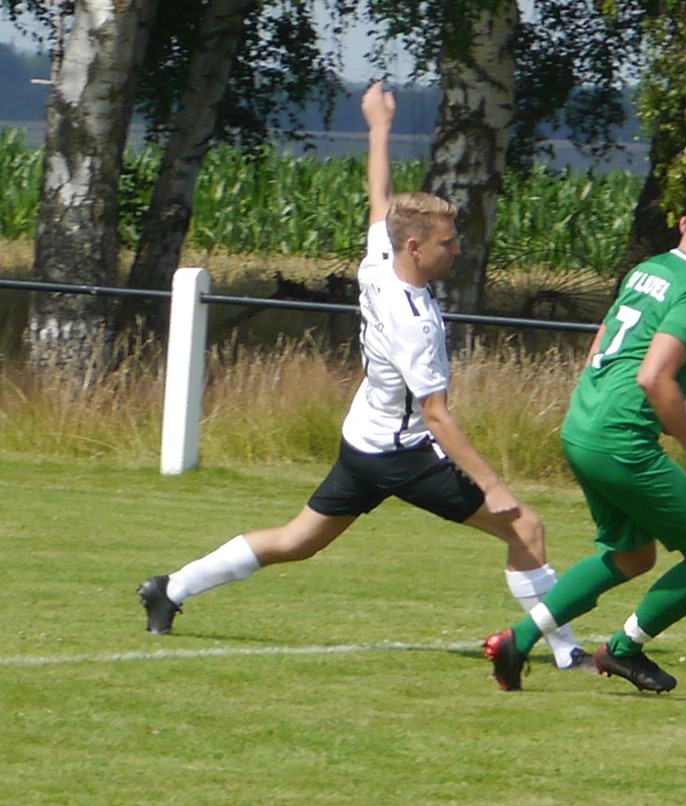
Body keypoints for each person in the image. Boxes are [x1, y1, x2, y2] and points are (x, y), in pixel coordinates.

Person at [138, 81, 592, 672]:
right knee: (525, 526)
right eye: (447, 244)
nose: (456, 250)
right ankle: (566, 652)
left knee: (299, 540)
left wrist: (378, 126)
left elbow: (378, 196)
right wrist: (493, 485)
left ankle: (168, 589)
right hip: (403, 452)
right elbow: (435, 415)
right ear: (415, 247)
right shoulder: (414, 323)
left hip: (365, 440)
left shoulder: (379, 258)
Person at [483, 184, 686, 692]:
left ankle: (516, 642)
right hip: (620, 439)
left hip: (582, 426)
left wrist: (596, 407)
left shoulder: (646, 270)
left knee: (631, 555)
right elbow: (654, 378)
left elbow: (602, 340)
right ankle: (622, 650)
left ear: (682, 223)